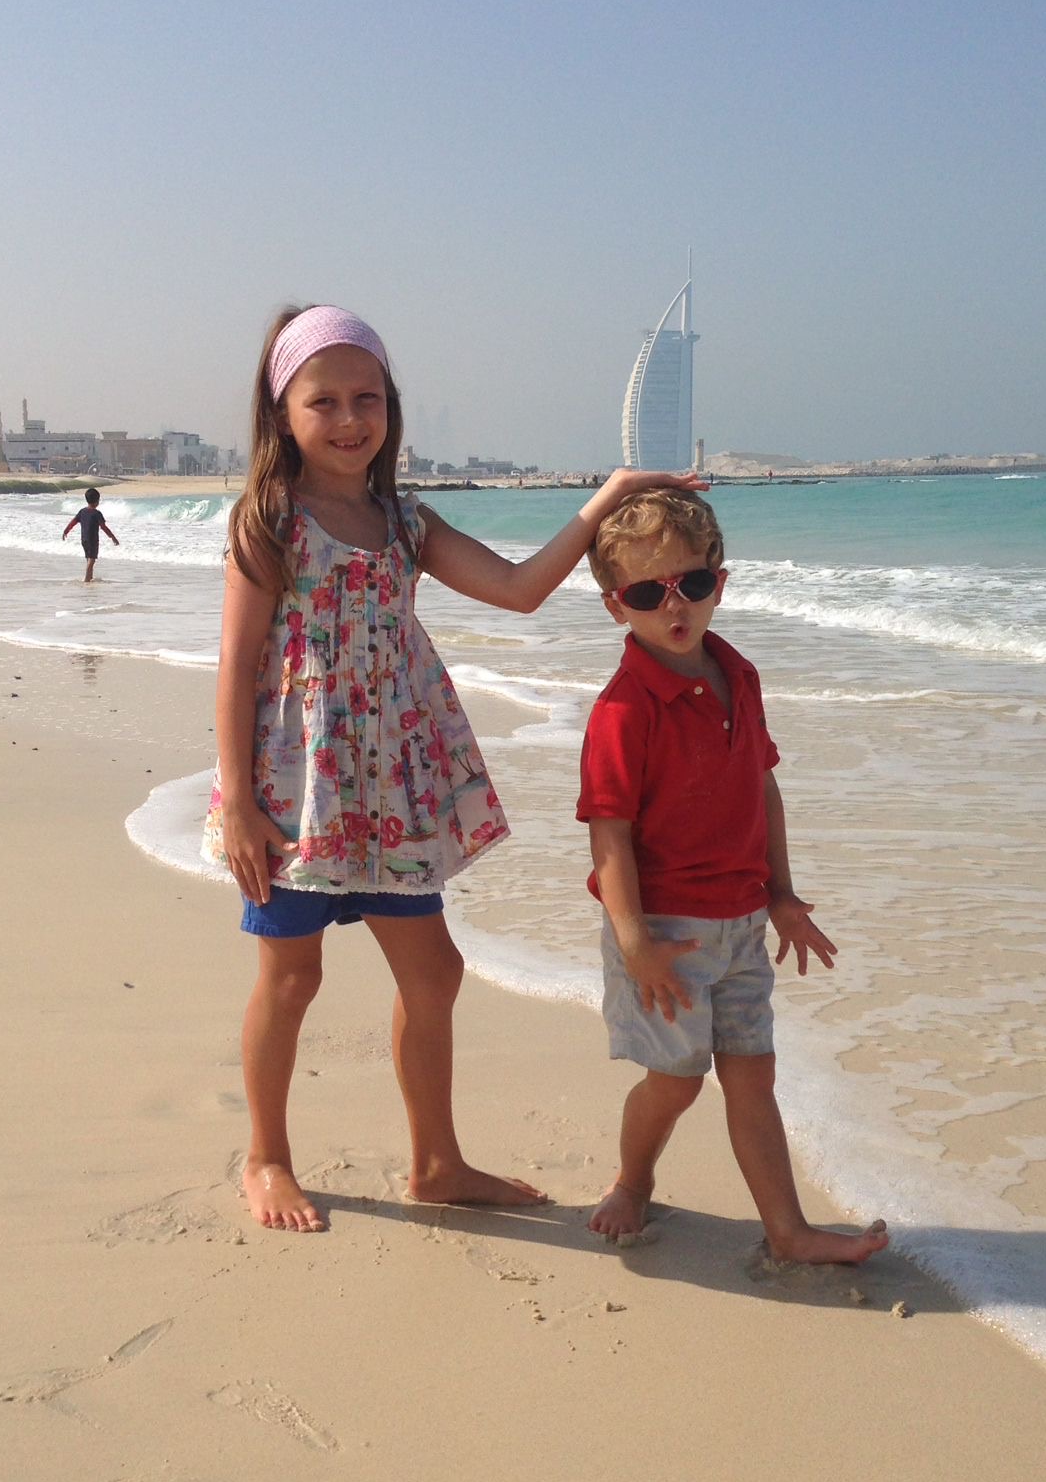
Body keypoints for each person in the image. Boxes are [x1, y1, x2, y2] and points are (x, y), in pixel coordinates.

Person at [206, 303, 695, 1232]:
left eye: (368, 398)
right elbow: (235, 665)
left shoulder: (404, 523)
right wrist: (237, 805)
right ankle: (266, 1157)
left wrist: (606, 499)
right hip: (296, 791)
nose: (349, 419)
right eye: (324, 401)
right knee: (291, 979)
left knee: (434, 975)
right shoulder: (270, 521)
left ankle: (436, 1162)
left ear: (391, 407)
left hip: (392, 790)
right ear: (282, 414)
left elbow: (517, 588)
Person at [576, 487, 888, 1264]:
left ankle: (788, 1232)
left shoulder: (738, 675)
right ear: (616, 607)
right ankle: (632, 1180)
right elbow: (609, 835)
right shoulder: (624, 710)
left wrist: (781, 894)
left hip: (744, 923)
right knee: (675, 1083)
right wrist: (634, 943)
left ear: (720, 579)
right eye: (647, 593)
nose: (674, 605)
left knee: (754, 1078)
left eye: (692, 583)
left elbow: (762, 783)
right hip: (663, 935)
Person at [61, 487, 119, 581]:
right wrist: (112, 537)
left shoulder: (82, 511)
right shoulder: (97, 514)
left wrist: (66, 531)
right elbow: (103, 527)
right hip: (92, 541)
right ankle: (86, 580)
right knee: (91, 561)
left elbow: (73, 522)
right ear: (97, 501)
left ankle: (90, 578)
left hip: (84, 540)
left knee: (89, 559)